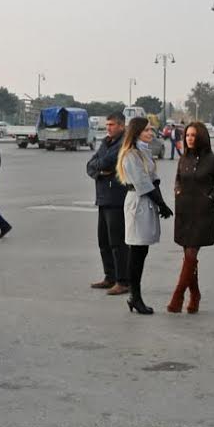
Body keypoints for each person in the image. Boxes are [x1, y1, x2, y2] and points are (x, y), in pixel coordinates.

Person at [168, 121, 214, 313]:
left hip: (202, 213)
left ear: (201, 137)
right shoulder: (183, 159)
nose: (189, 138)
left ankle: (177, 296)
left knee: (191, 255)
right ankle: (195, 294)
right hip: (184, 212)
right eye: (187, 135)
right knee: (188, 256)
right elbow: (179, 178)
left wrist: (211, 198)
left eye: (193, 135)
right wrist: (177, 190)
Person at [117, 117, 172, 315]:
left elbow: (154, 180)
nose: (151, 133)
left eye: (151, 130)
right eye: (147, 130)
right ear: (137, 132)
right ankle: (134, 296)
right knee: (137, 251)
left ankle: (136, 296)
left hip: (147, 201)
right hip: (138, 201)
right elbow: (143, 184)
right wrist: (162, 204)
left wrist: (160, 201)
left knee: (142, 251)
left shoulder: (144, 152)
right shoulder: (131, 154)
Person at [87, 113, 129, 295]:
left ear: (121, 126)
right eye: (107, 125)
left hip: (116, 198)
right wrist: (100, 172)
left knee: (117, 242)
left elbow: (106, 161)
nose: (108, 128)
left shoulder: (123, 144)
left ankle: (123, 280)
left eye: (111, 125)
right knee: (103, 240)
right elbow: (90, 165)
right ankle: (109, 276)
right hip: (103, 198)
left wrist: (101, 166)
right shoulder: (106, 142)